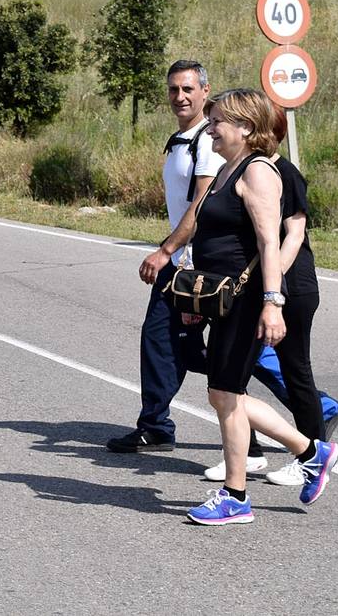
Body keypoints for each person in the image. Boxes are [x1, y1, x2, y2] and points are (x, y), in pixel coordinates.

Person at [184, 89, 338, 526]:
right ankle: (311, 451)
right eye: (210, 121)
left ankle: (236, 496)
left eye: (217, 122)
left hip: (249, 300)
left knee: (227, 395)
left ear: (246, 128)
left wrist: (273, 303)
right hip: (223, 299)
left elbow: (272, 242)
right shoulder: (225, 169)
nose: (210, 127)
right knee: (222, 393)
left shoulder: (258, 173)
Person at [108, 61, 225, 454]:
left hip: (198, 263)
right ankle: (156, 424)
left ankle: (308, 404)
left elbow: (201, 204)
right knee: (165, 341)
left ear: (205, 91)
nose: (180, 96)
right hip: (182, 260)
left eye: (188, 89)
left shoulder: (208, 140)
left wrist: (167, 251)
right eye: (174, 89)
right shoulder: (183, 138)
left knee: (228, 350)